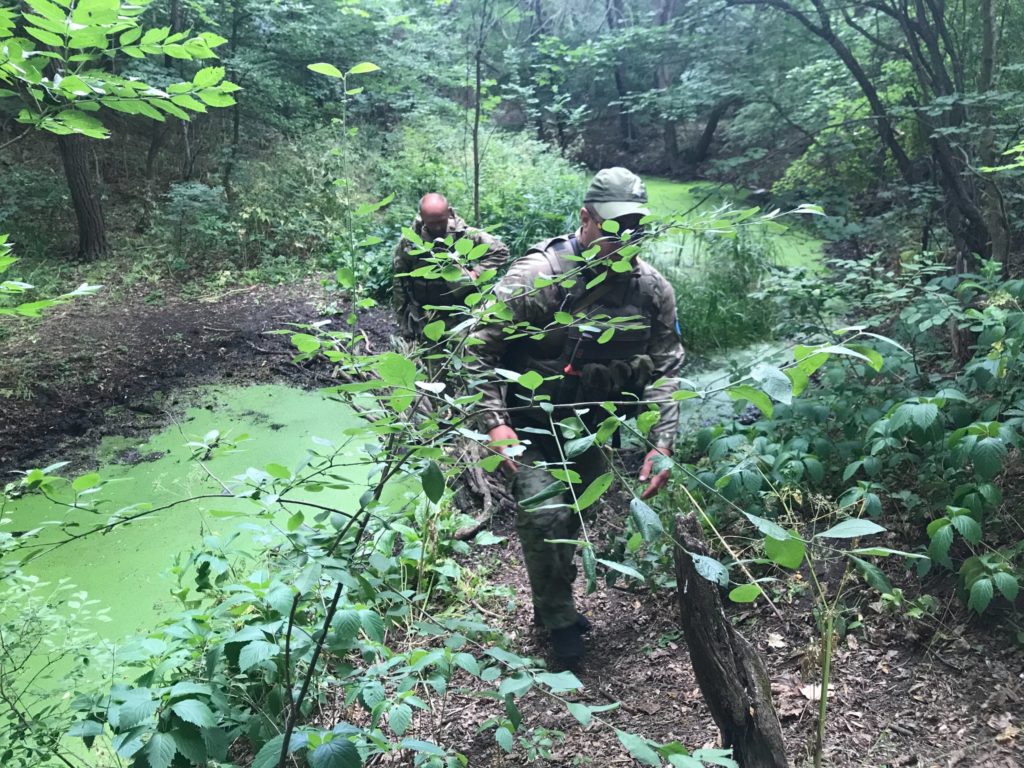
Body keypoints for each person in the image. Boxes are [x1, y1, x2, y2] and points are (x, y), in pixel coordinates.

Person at [469, 167, 684, 664]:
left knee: (575, 517)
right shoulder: (538, 276)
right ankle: (560, 622)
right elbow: (477, 348)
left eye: (635, 226)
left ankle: (552, 597)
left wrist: (662, 442)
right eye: (613, 226)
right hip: (531, 425)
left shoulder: (651, 289)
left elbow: (667, 367)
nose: (624, 237)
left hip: (594, 429)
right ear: (585, 218)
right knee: (546, 518)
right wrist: (495, 423)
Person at [393, 193, 509, 341]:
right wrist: (402, 318)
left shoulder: (466, 235)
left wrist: (477, 272)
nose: (437, 227)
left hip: (460, 312)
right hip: (424, 314)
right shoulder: (410, 241)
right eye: (431, 223)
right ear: (422, 217)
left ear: (448, 212)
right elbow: (400, 279)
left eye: (441, 221)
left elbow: (500, 251)